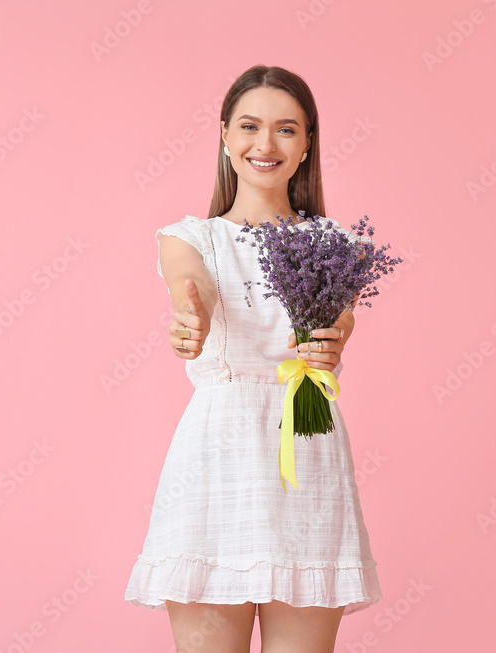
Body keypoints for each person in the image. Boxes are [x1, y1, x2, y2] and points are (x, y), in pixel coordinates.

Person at [124, 64, 382, 653]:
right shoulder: (190, 238)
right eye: (249, 126)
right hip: (217, 462)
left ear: (308, 141)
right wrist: (194, 317)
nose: (265, 145)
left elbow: (338, 320)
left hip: (308, 457)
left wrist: (333, 335)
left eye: (286, 129)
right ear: (224, 134)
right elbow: (192, 287)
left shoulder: (337, 247)